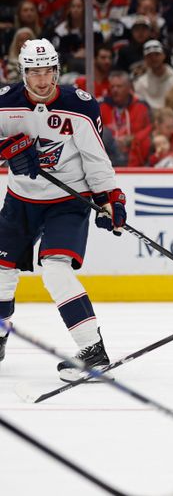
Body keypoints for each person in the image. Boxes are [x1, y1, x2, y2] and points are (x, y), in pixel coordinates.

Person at [0, 38, 125, 381]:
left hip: (67, 202)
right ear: (22, 73)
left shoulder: (80, 105)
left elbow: (96, 160)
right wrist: (6, 148)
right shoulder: (4, 103)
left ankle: (92, 350)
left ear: (57, 70)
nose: (42, 80)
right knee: (0, 274)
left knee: (55, 269)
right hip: (20, 202)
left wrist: (109, 198)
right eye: (34, 72)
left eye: (47, 71)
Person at [99, 70, 153, 167]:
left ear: (129, 88)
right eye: (112, 87)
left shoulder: (141, 106)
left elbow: (149, 131)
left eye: (119, 86)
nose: (115, 90)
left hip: (134, 152)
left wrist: (131, 139)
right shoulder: (101, 106)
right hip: (108, 155)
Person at [133, 39, 173, 111]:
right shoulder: (140, 83)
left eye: (157, 54)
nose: (153, 58)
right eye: (149, 56)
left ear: (163, 55)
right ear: (145, 59)